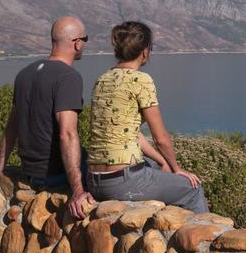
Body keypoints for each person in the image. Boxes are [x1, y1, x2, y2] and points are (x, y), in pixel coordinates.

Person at [0, 16, 94, 219]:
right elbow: (67, 134)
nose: (84, 43)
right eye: (85, 38)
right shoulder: (68, 77)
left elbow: (11, 126)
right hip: (54, 174)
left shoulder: (24, 74)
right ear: (76, 43)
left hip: (30, 172)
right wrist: (77, 190)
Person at [86, 21, 208, 213]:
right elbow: (160, 137)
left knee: (157, 167)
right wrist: (176, 168)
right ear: (145, 51)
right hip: (123, 182)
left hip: (94, 180)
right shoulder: (141, 80)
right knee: (192, 189)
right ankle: (202, 238)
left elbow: (132, 133)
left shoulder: (103, 79)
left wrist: (163, 161)